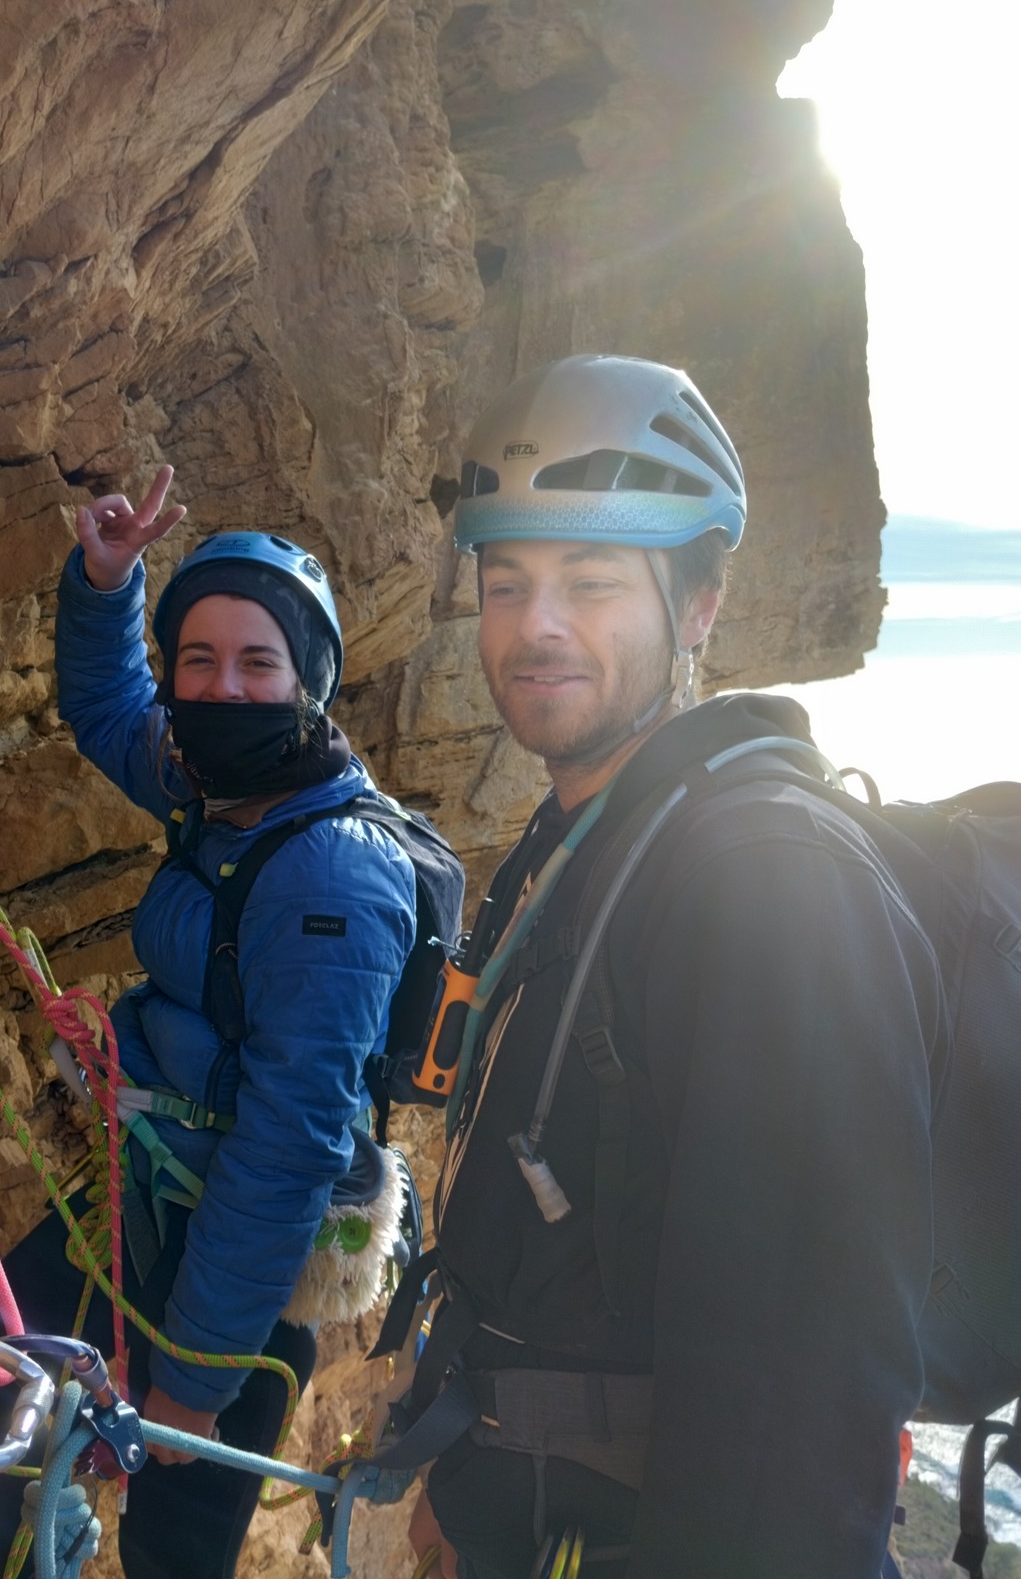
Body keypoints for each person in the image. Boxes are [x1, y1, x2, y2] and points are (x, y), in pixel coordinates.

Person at [403, 356, 948, 1578]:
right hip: (519, 1508)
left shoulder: (769, 885)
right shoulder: (588, 839)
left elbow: (805, 1405)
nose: (536, 625)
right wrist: (460, 1475)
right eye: (506, 583)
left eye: (591, 581)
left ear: (698, 603)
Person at [0, 467, 420, 1579]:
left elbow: (287, 1144)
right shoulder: (220, 785)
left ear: (309, 683)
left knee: (171, 1548)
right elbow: (112, 711)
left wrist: (194, 1384)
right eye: (197, 660)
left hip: (241, 1278)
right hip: (151, 1201)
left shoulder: (331, 876)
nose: (222, 688)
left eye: (257, 662)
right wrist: (109, 585)